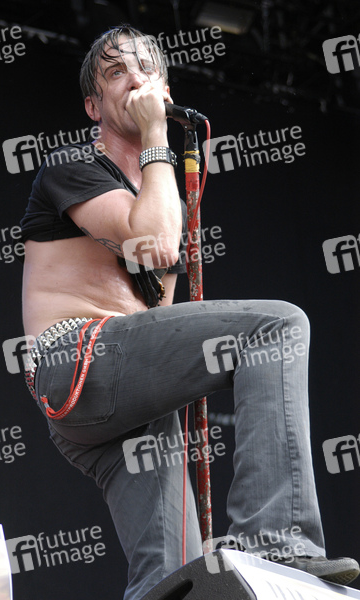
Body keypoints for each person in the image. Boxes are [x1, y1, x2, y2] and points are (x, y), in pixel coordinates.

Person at [20, 25, 359, 600]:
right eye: (116, 73)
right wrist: (157, 132)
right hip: (75, 358)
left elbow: (160, 307)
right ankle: (275, 541)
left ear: (166, 89)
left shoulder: (165, 195)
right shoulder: (71, 168)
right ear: (93, 106)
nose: (134, 79)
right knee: (277, 327)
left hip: (124, 388)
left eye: (146, 70)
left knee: (171, 582)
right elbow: (152, 243)